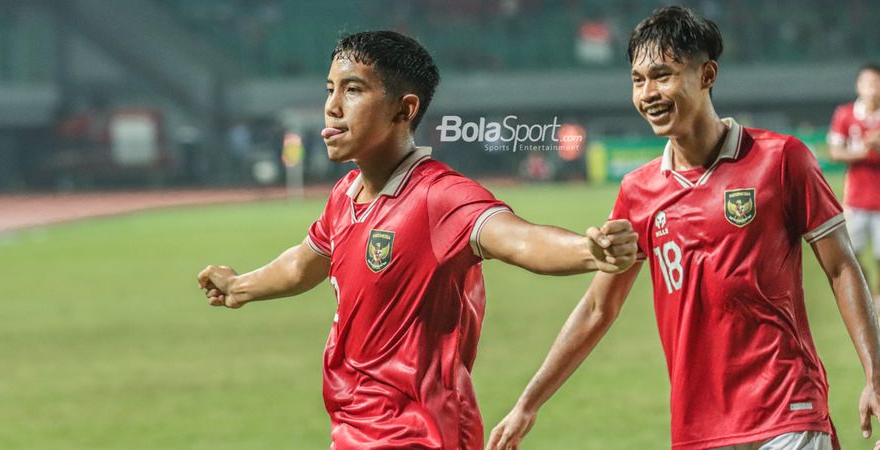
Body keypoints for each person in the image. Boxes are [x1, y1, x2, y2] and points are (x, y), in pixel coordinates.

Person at [197, 31, 639, 450]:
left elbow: (520, 239)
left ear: (403, 109)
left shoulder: (437, 196)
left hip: (421, 432)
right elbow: (303, 264)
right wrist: (240, 286)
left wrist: (589, 251)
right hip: (352, 429)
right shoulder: (344, 196)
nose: (332, 107)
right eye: (329, 89)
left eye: (352, 91)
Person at [487, 7, 880, 450]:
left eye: (662, 75)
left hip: (787, 410)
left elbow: (841, 267)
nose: (648, 93)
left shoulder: (781, 160)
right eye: (638, 80)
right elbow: (599, 307)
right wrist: (528, 403)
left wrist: (875, 374)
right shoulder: (638, 191)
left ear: (707, 74)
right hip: (698, 428)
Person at [828, 64, 880, 304]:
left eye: (876, 83)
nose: (872, 89)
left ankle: (878, 297)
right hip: (856, 201)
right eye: (868, 83)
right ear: (859, 86)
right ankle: (868, 295)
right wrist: (864, 150)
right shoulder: (845, 114)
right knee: (853, 255)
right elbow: (835, 152)